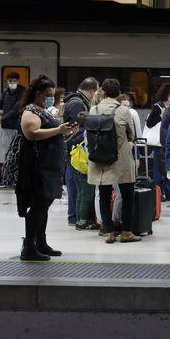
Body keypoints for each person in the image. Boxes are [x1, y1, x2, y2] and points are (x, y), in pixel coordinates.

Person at [16, 75, 77, 261]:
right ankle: (29, 247)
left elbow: (49, 137)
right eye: (48, 94)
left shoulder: (43, 110)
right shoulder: (30, 111)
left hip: (49, 167)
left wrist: (65, 133)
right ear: (37, 93)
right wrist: (58, 130)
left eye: (53, 94)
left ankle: (40, 243)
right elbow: (32, 133)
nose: (51, 98)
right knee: (39, 206)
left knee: (44, 205)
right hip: (38, 167)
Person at [87, 79, 140, 245]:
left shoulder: (93, 109)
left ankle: (109, 232)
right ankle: (126, 232)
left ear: (103, 92)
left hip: (99, 159)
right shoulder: (124, 110)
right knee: (127, 195)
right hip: (120, 160)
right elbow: (131, 135)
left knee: (103, 195)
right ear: (118, 93)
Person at [63, 77, 99, 229]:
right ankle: (76, 217)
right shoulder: (78, 103)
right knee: (76, 186)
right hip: (76, 152)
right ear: (91, 91)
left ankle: (76, 216)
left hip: (74, 150)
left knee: (76, 185)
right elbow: (78, 127)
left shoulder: (74, 101)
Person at [0, 72, 26, 187]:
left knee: (16, 154)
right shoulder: (6, 92)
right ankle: (7, 180)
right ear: (7, 81)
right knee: (7, 153)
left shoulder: (22, 92)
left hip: (16, 127)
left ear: (18, 81)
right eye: (10, 81)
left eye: (14, 81)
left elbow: (16, 110)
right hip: (6, 127)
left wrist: (2, 119)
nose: (12, 83)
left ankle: (14, 180)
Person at [146, 83, 170, 201]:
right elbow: (149, 124)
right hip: (159, 143)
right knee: (159, 170)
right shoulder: (157, 107)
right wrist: (161, 116)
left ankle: (168, 193)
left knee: (168, 168)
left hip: (169, 142)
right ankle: (158, 194)